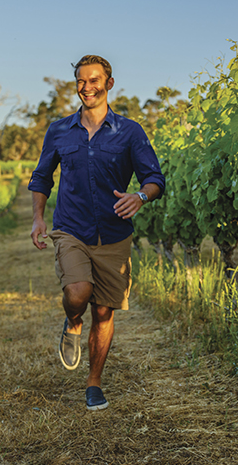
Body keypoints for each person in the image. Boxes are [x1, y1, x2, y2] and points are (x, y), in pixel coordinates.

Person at [28, 54, 165, 411]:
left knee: (104, 313)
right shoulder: (59, 130)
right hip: (71, 228)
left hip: (114, 234)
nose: (87, 88)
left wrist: (139, 196)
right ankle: (73, 322)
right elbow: (42, 177)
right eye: (81, 81)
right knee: (77, 293)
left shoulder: (130, 131)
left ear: (109, 84)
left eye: (94, 81)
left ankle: (94, 383)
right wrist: (38, 218)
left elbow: (155, 179)